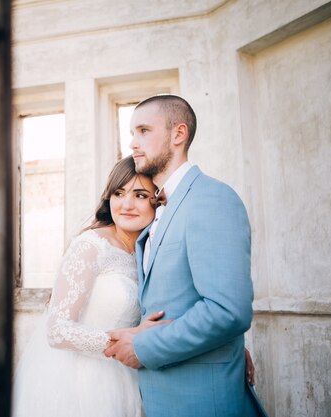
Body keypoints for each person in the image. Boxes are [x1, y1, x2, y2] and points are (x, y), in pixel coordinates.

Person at [104, 95, 267, 417]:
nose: (133, 144)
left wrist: (144, 347)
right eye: (132, 134)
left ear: (178, 134)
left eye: (143, 131)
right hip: (160, 396)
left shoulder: (211, 198)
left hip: (202, 400)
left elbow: (227, 311)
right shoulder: (159, 210)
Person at [12, 156, 163, 417]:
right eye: (119, 193)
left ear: (157, 201)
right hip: (80, 384)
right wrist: (127, 340)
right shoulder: (91, 246)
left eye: (140, 195)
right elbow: (57, 331)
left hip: (128, 379)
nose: (126, 204)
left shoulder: (148, 252)